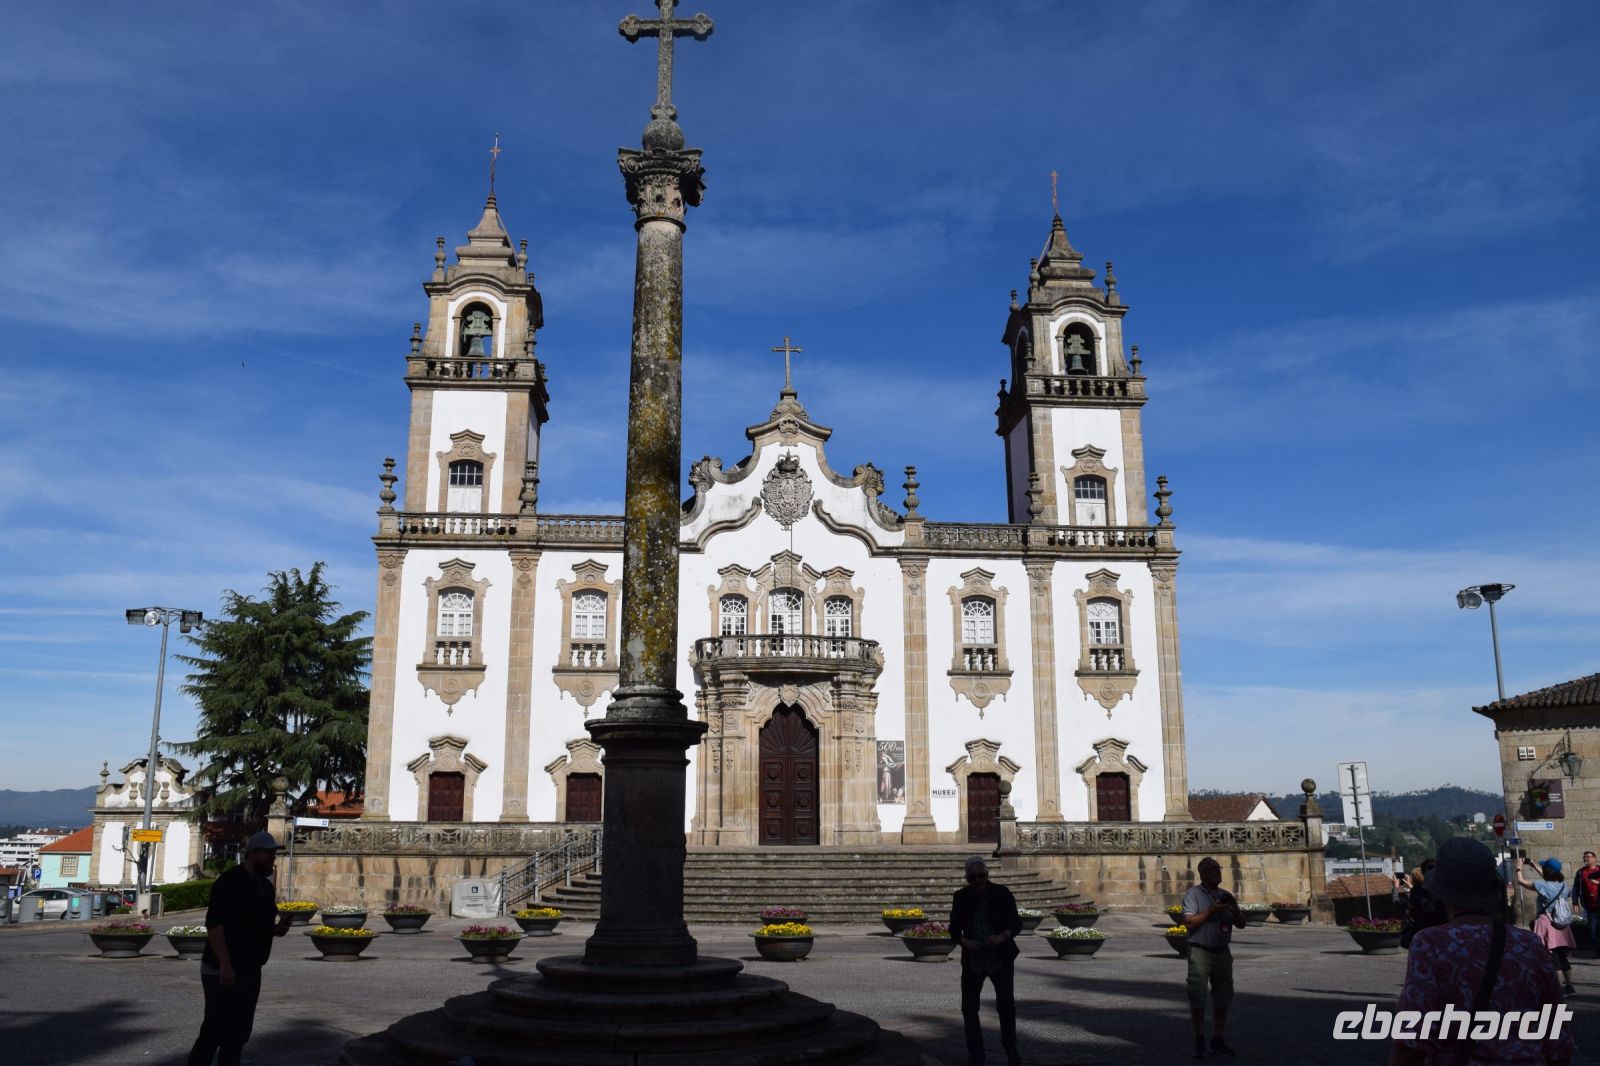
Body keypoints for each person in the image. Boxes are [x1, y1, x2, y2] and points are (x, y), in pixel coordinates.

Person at [1390, 837, 1574, 1064]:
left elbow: (1414, 1035)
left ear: (1441, 891)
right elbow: (1555, 1026)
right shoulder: (1529, 943)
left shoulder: (1430, 944)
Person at [188, 831, 293, 1066]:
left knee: (238, 1035)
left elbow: (261, 928)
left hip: (250, 970)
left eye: (274, 855)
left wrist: (278, 929)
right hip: (222, 970)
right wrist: (225, 964)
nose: (272, 860)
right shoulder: (229, 882)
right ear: (253, 853)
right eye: (268, 854)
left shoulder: (265, 888)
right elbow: (215, 925)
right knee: (213, 1032)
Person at [948, 855, 1023, 1066]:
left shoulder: (1002, 893)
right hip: (974, 960)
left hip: (1000, 957)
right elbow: (953, 930)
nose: (978, 881)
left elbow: (1016, 923)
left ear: (987, 875)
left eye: (981, 876)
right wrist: (965, 942)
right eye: (972, 878)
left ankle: (1011, 1048)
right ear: (967, 879)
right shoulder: (961, 897)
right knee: (969, 1009)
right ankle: (976, 1056)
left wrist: (1001, 937)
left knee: (1006, 1005)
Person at [1182, 857, 1245, 1059]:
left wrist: (1234, 910)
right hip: (1200, 950)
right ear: (1202, 873)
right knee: (1197, 995)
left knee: (1223, 996)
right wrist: (1210, 911)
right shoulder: (1193, 895)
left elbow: (1241, 924)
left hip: (1222, 952)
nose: (1218, 872)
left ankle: (1218, 1038)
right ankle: (1199, 1037)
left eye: (1219, 868)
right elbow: (1189, 922)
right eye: (1213, 869)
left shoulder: (1226, 895)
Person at [1516, 857, 1577, 996]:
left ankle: (1559, 989)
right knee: (1562, 957)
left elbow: (1521, 881)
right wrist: (1534, 865)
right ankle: (1569, 986)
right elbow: (1549, 878)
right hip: (1562, 925)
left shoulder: (1542, 886)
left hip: (1547, 924)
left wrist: (1519, 867)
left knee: (1553, 958)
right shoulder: (1563, 886)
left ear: (1546, 872)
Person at [1401, 858, 1448, 949]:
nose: (1433, 870)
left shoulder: (1446, 889)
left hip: (1443, 932)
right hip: (1424, 932)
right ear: (1424, 872)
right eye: (1430, 867)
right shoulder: (1417, 890)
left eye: (1436, 867)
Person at [1573, 850, 1600, 957]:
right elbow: (1575, 888)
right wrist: (1575, 903)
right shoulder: (1581, 873)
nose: (1585, 859)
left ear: (1594, 858)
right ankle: (1598, 953)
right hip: (1590, 907)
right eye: (1584, 857)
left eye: (1588, 857)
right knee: (1593, 932)